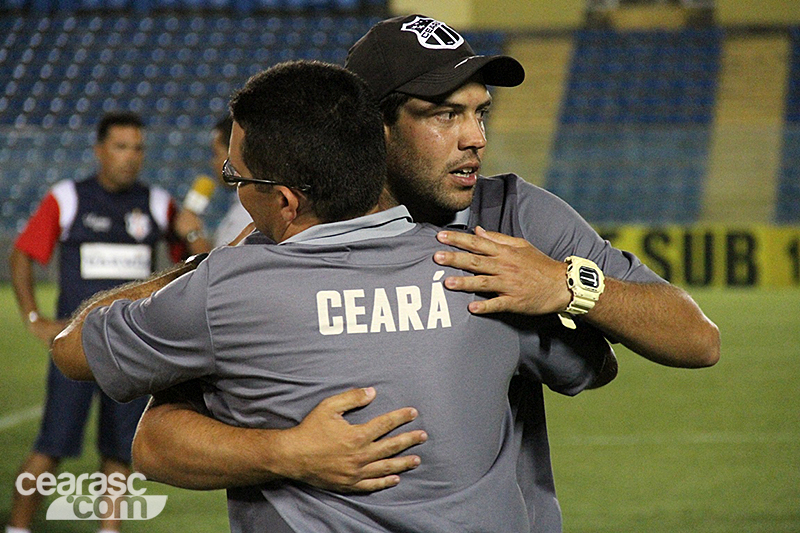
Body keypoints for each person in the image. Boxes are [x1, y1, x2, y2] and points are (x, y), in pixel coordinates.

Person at [130, 14, 720, 532]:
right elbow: (157, 442)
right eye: (444, 115)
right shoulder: (288, 231)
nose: (476, 139)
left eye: (480, 113)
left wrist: (567, 285)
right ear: (373, 127)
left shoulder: (515, 214)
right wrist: (287, 453)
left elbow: (697, 340)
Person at [51, 60, 615, 532]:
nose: (237, 189)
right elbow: (589, 368)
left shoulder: (228, 288)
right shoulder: (486, 264)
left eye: (238, 178)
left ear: (286, 202)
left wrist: (205, 266)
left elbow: (72, 349)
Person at [5, 111, 208, 533]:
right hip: (77, 348)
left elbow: (198, 265)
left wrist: (190, 235)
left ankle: (109, 528)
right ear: (99, 151)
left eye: (137, 148)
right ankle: (19, 526)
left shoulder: (156, 203)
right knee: (51, 444)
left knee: (121, 448)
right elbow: (23, 253)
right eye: (120, 147)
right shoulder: (68, 198)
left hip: (131, 347)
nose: (130, 157)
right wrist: (33, 317)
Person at [178, 116, 253, 248]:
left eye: (216, 154)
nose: (213, 162)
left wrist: (193, 235)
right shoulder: (242, 206)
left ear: (234, 154)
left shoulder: (250, 211)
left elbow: (224, 267)